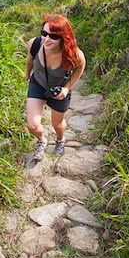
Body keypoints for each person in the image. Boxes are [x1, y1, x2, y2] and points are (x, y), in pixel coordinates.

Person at [25, 13, 86, 161]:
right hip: (38, 83)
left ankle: (60, 139)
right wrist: (27, 74)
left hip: (59, 89)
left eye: (53, 36)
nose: (46, 39)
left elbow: (79, 68)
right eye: (44, 33)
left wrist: (66, 88)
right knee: (32, 126)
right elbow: (30, 59)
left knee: (57, 124)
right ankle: (41, 140)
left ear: (63, 38)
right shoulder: (34, 44)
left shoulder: (73, 54)